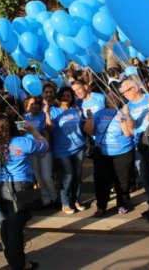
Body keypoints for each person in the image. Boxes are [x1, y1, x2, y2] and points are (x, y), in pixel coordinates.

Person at [0, 115, 48, 270]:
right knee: (15, 228)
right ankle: (19, 264)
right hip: (18, 187)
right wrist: (32, 130)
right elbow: (45, 145)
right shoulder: (23, 142)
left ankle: (12, 259)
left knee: (4, 223)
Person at [83, 90, 135, 217]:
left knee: (122, 180)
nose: (110, 99)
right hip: (102, 153)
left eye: (113, 97)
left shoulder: (125, 111)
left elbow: (129, 133)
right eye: (108, 97)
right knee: (101, 181)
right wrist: (90, 119)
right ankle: (101, 206)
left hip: (122, 152)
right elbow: (90, 131)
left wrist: (124, 118)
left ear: (119, 98)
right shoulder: (100, 113)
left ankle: (122, 204)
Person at [120, 79, 149, 222]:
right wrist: (127, 115)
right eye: (122, 93)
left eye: (125, 91)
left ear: (135, 88)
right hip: (140, 142)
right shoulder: (128, 106)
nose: (124, 94)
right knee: (143, 173)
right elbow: (131, 130)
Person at [49, 86, 86, 214]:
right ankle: (65, 202)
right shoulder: (53, 111)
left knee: (77, 176)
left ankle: (76, 200)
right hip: (61, 149)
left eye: (68, 96)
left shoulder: (76, 110)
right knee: (68, 175)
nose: (66, 98)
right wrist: (47, 113)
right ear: (59, 96)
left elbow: (83, 126)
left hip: (79, 147)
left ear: (72, 98)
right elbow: (49, 127)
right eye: (64, 95)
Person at [23, 96, 57, 209]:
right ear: (27, 106)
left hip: (45, 150)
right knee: (38, 177)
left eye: (36, 104)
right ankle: (45, 200)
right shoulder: (23, 117)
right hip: (31, 152)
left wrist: (45, 148)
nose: (34, 106)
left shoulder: (43, 116)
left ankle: (54, 198)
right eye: (31, 104)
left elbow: (46, 131)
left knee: (46, 176)